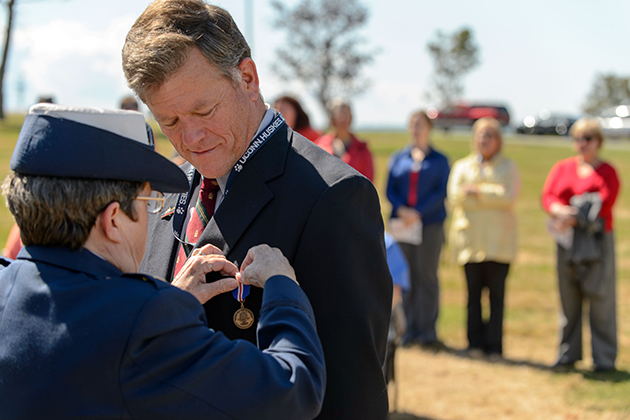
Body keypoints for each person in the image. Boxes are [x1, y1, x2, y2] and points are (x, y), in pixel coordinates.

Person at [122, 1, 392, 418]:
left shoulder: (334, 197)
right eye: (169, 122)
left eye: (203, 110)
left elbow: (352, 397)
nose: (190, 137)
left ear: (247, 78)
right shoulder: (167, 187)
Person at [0, 104, 326, 420]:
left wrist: (171, 302)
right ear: (113, 219)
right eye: (147, 202)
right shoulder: (141, 322)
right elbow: (293, 391)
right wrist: (282, 289)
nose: (149, 216)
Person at [542, 118, 620, 372]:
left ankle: (604, 359)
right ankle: (567, 354)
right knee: (569, 298)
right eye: (578, 138)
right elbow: (548, 195)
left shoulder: (607, 171)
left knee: (600, 299)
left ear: (599, 141)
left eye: (588, 138)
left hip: (595, 242)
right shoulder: (563, 167)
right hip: (566, 240)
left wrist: (571, 214)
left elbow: (604, 202)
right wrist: (559, 210)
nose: (582, 144)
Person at [447, 117, 520, 358]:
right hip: (470, 241)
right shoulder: (462, 166)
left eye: (489, 135)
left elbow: (508, 196)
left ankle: (494, 346)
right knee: (473, 297)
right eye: (480, 135)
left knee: (496, 297)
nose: (484, 140)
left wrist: (476, 190)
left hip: (498, 243)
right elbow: (456, 196)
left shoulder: (508, 167)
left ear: (499, 140)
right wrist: (491, 193)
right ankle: (474, 344)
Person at [385, 110, 450, 347]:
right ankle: (408, 329)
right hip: (403, 226)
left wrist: (418, 212)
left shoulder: (439, 160)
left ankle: (427, 331)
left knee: (427, 276)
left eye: (420, 124)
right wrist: (402, 209)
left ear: (429, 128)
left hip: (429, 225)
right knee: (405, 276)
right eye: (412, 124)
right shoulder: (398, 158)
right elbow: (390, 189)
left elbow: (440, 191)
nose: (416, 128)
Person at [316, 99, 375, 182]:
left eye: (346, 114)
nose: (343, 118)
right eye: (339, 114)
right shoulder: (321, 144)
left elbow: (369, 180)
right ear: (332, 118)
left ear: (351, 118)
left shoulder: (362, 148)